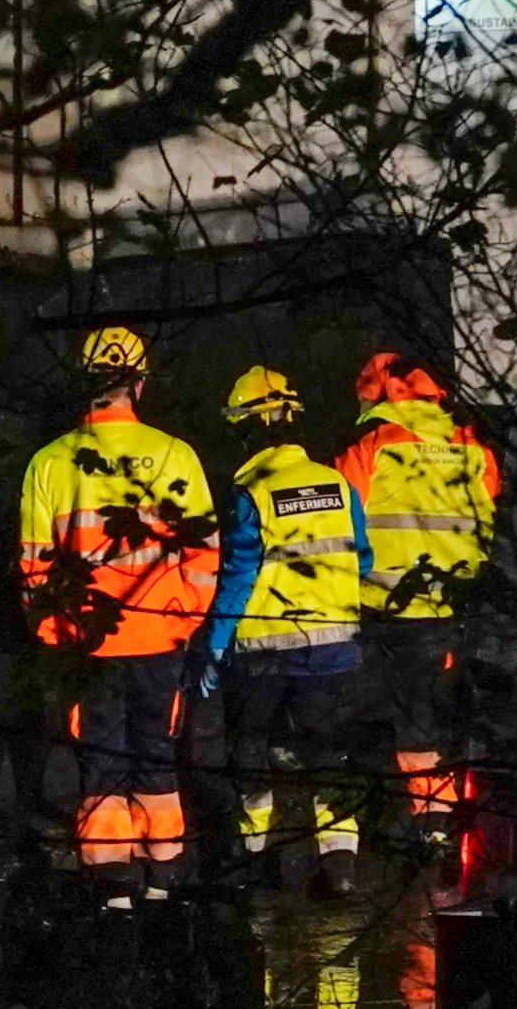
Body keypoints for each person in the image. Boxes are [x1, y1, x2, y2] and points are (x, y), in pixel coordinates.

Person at [17, 326, 219, 909]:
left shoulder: (50, 462)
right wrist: (182, 620)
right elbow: (204, 554)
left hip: (88, 648)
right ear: (139, 384)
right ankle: (164, 885)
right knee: (157, 760)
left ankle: (112, 897)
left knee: (101, 766)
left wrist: (56, 636)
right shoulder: (177, 455)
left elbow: (34, 564)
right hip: (160, 640)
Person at [196, 367, 373, 898]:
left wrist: (214, 644)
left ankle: (257, 861)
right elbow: (362, 560)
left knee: (251, 752)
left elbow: (238, 576)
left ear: (249, 427)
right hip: (335, 649)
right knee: (330, 756)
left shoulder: (251, 492)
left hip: (265, 655)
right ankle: (340, 866)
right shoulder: (338, 484)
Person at [333, 353, 500, 850]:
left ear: (380, 394)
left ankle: (352, 834)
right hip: (448, 610)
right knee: (426, 723)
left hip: (375, 606)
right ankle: (434, 829)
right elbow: (489, 511)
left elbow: (336, 517)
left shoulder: (373, 443)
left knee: (357, 720)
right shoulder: (470, 444)